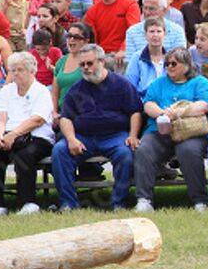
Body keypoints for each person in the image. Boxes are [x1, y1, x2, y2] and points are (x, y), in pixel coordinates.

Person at [51, 44, 142, 210]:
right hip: (83, 137)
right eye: (82, 65)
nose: (85, 68)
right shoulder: (76, 89)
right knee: (60, 151)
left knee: (125, 154)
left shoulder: (121, 84)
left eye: (89, 63)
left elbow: (135, 111)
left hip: (114, 136)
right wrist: (71, 139)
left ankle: (118, 203)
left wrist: (133, 135)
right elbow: (66, 118)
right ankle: (68, 204)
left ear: (102, 62)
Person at [134, 47, 208, 212]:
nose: (169, 67)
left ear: (186, 65)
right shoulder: (159, 83)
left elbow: (204, 106)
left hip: (191, 132)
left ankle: (199, 199)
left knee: (188, 151)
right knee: (144, 149)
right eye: (166, 64)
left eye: (174, 63)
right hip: (160, 131)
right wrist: (163, 113)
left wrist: (178, 113)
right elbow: (148, 104)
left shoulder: (200, 82)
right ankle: (144, 199)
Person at [0, 52, 55, 217]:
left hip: (36, 137)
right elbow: (0, 116)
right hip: (8, 136)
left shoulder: (41, 91)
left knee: (24, 156)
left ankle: (28, 202)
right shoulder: (7, 91)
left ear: (31, 71)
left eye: (20, 70)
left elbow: (37, 120)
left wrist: (13, 134)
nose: (15, 74)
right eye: (12, 70)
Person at [83, 0, 141, 72]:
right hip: (101, 55)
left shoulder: (130, 4)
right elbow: (90, 37)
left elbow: (134, 31)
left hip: (122, 56)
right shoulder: (93, 10)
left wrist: (124, 49)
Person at [124, 0, 186, 65]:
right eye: (145, 8)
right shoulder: (132, 32)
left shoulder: (177, 31)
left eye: (152, 9)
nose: (147, 12)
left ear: (164, 10)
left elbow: (180, 62)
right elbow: (130, 63)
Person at [52, 22, 95, 126]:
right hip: (62, 112)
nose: (71, 40)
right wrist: (54, 112)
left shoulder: (91, 62)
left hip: (83, 112)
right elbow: (55, 92)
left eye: (76, 37)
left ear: (86, 42)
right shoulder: (61, 61)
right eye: (69, 36)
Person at [125, 18, 169, 96]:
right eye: (151, 31)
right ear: (145, 34)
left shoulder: (171, 57)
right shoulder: (137, 57)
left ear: (165, 34)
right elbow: (130, 85)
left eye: (159, 31)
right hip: (144, 99)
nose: (155, 35)